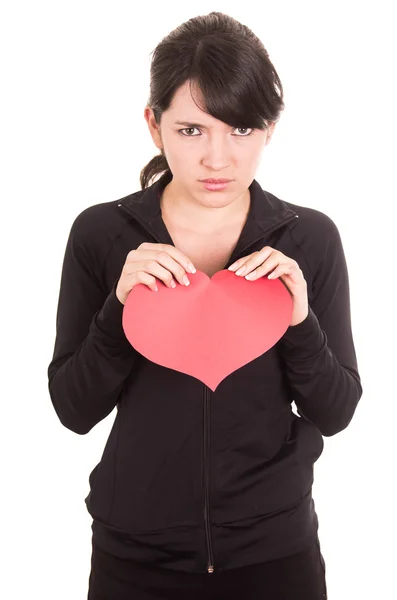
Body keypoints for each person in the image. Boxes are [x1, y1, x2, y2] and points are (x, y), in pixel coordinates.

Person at [47, 10, 363, 600]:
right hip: (133, 553)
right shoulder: (101, 234)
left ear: (269, 127)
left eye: (240, 129)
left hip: (276, 552)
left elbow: (337, 410)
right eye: (192, 130)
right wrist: (119, 307)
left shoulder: (309, 238)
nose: (218, 159)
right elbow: (72, 408)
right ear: (154, 126)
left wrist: (299, 319)